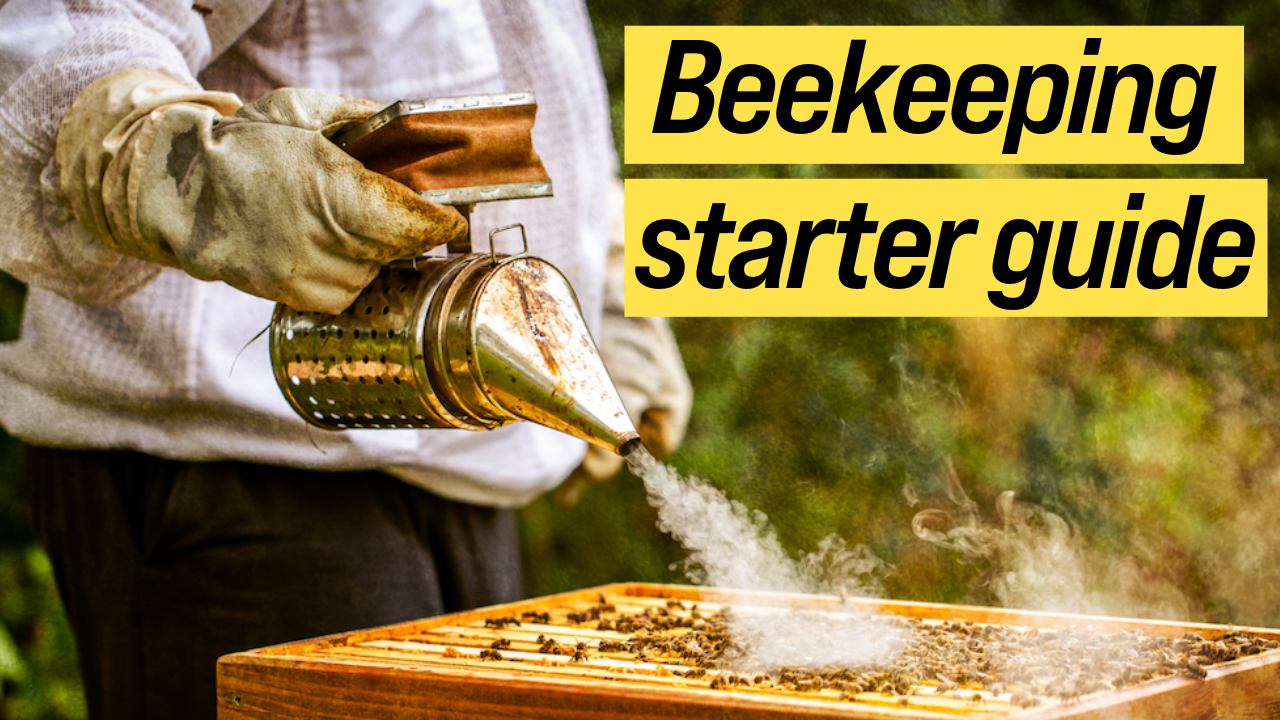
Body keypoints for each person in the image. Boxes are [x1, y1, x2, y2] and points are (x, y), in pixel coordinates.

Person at [0, 1, 692, 717]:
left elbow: (549, 82)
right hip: (239, 475)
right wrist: (172, 163)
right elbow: (60, 29)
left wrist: (610, 293)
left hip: (475, 470)